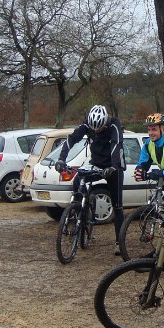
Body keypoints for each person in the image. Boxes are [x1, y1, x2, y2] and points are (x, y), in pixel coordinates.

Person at [55, 104, 125, 255]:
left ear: (105, 121)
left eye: (99, 128)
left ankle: (120, 241)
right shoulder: (87, 124)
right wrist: (61, 160)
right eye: (94, 129)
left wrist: (113, 167)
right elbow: (71, 139)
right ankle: (78, 211)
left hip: (114, 167)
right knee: (77, 181)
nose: (96, 131)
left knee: (117, 205)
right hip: (96, 164)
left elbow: (116, 145)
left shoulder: (114, 124)